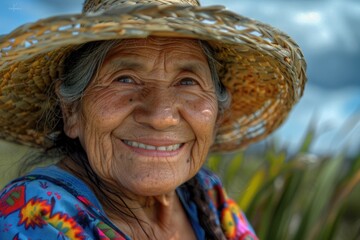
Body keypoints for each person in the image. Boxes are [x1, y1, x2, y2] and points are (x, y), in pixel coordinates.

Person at [0, 0, 306, 239]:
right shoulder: (36, 215)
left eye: (187, 82)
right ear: (71, 111)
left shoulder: (207, 196)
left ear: (217, 112)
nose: (161, 117)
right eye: (125, 79)